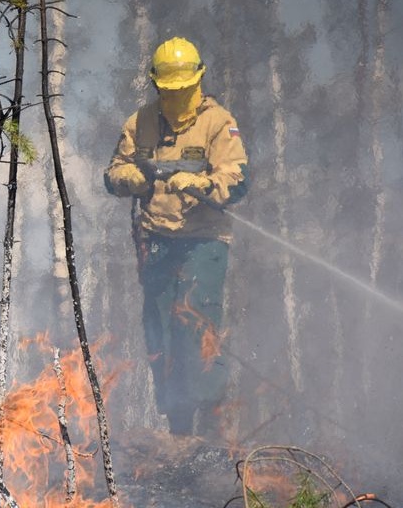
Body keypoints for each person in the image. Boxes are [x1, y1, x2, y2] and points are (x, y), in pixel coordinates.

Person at [104, 37, 249, 437]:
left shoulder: (219, 123)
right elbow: (113, 173)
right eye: (168, 91)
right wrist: (134, 177)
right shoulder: (140, 122)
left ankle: (214, 428)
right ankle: (180, 431)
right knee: (161, 334)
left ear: (197, 82)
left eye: (182, 90)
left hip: (204, 240)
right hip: (158, 240)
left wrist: (200, 182)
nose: (175, 97)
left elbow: (237, 183)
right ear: (156, 85)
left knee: (197, 327)